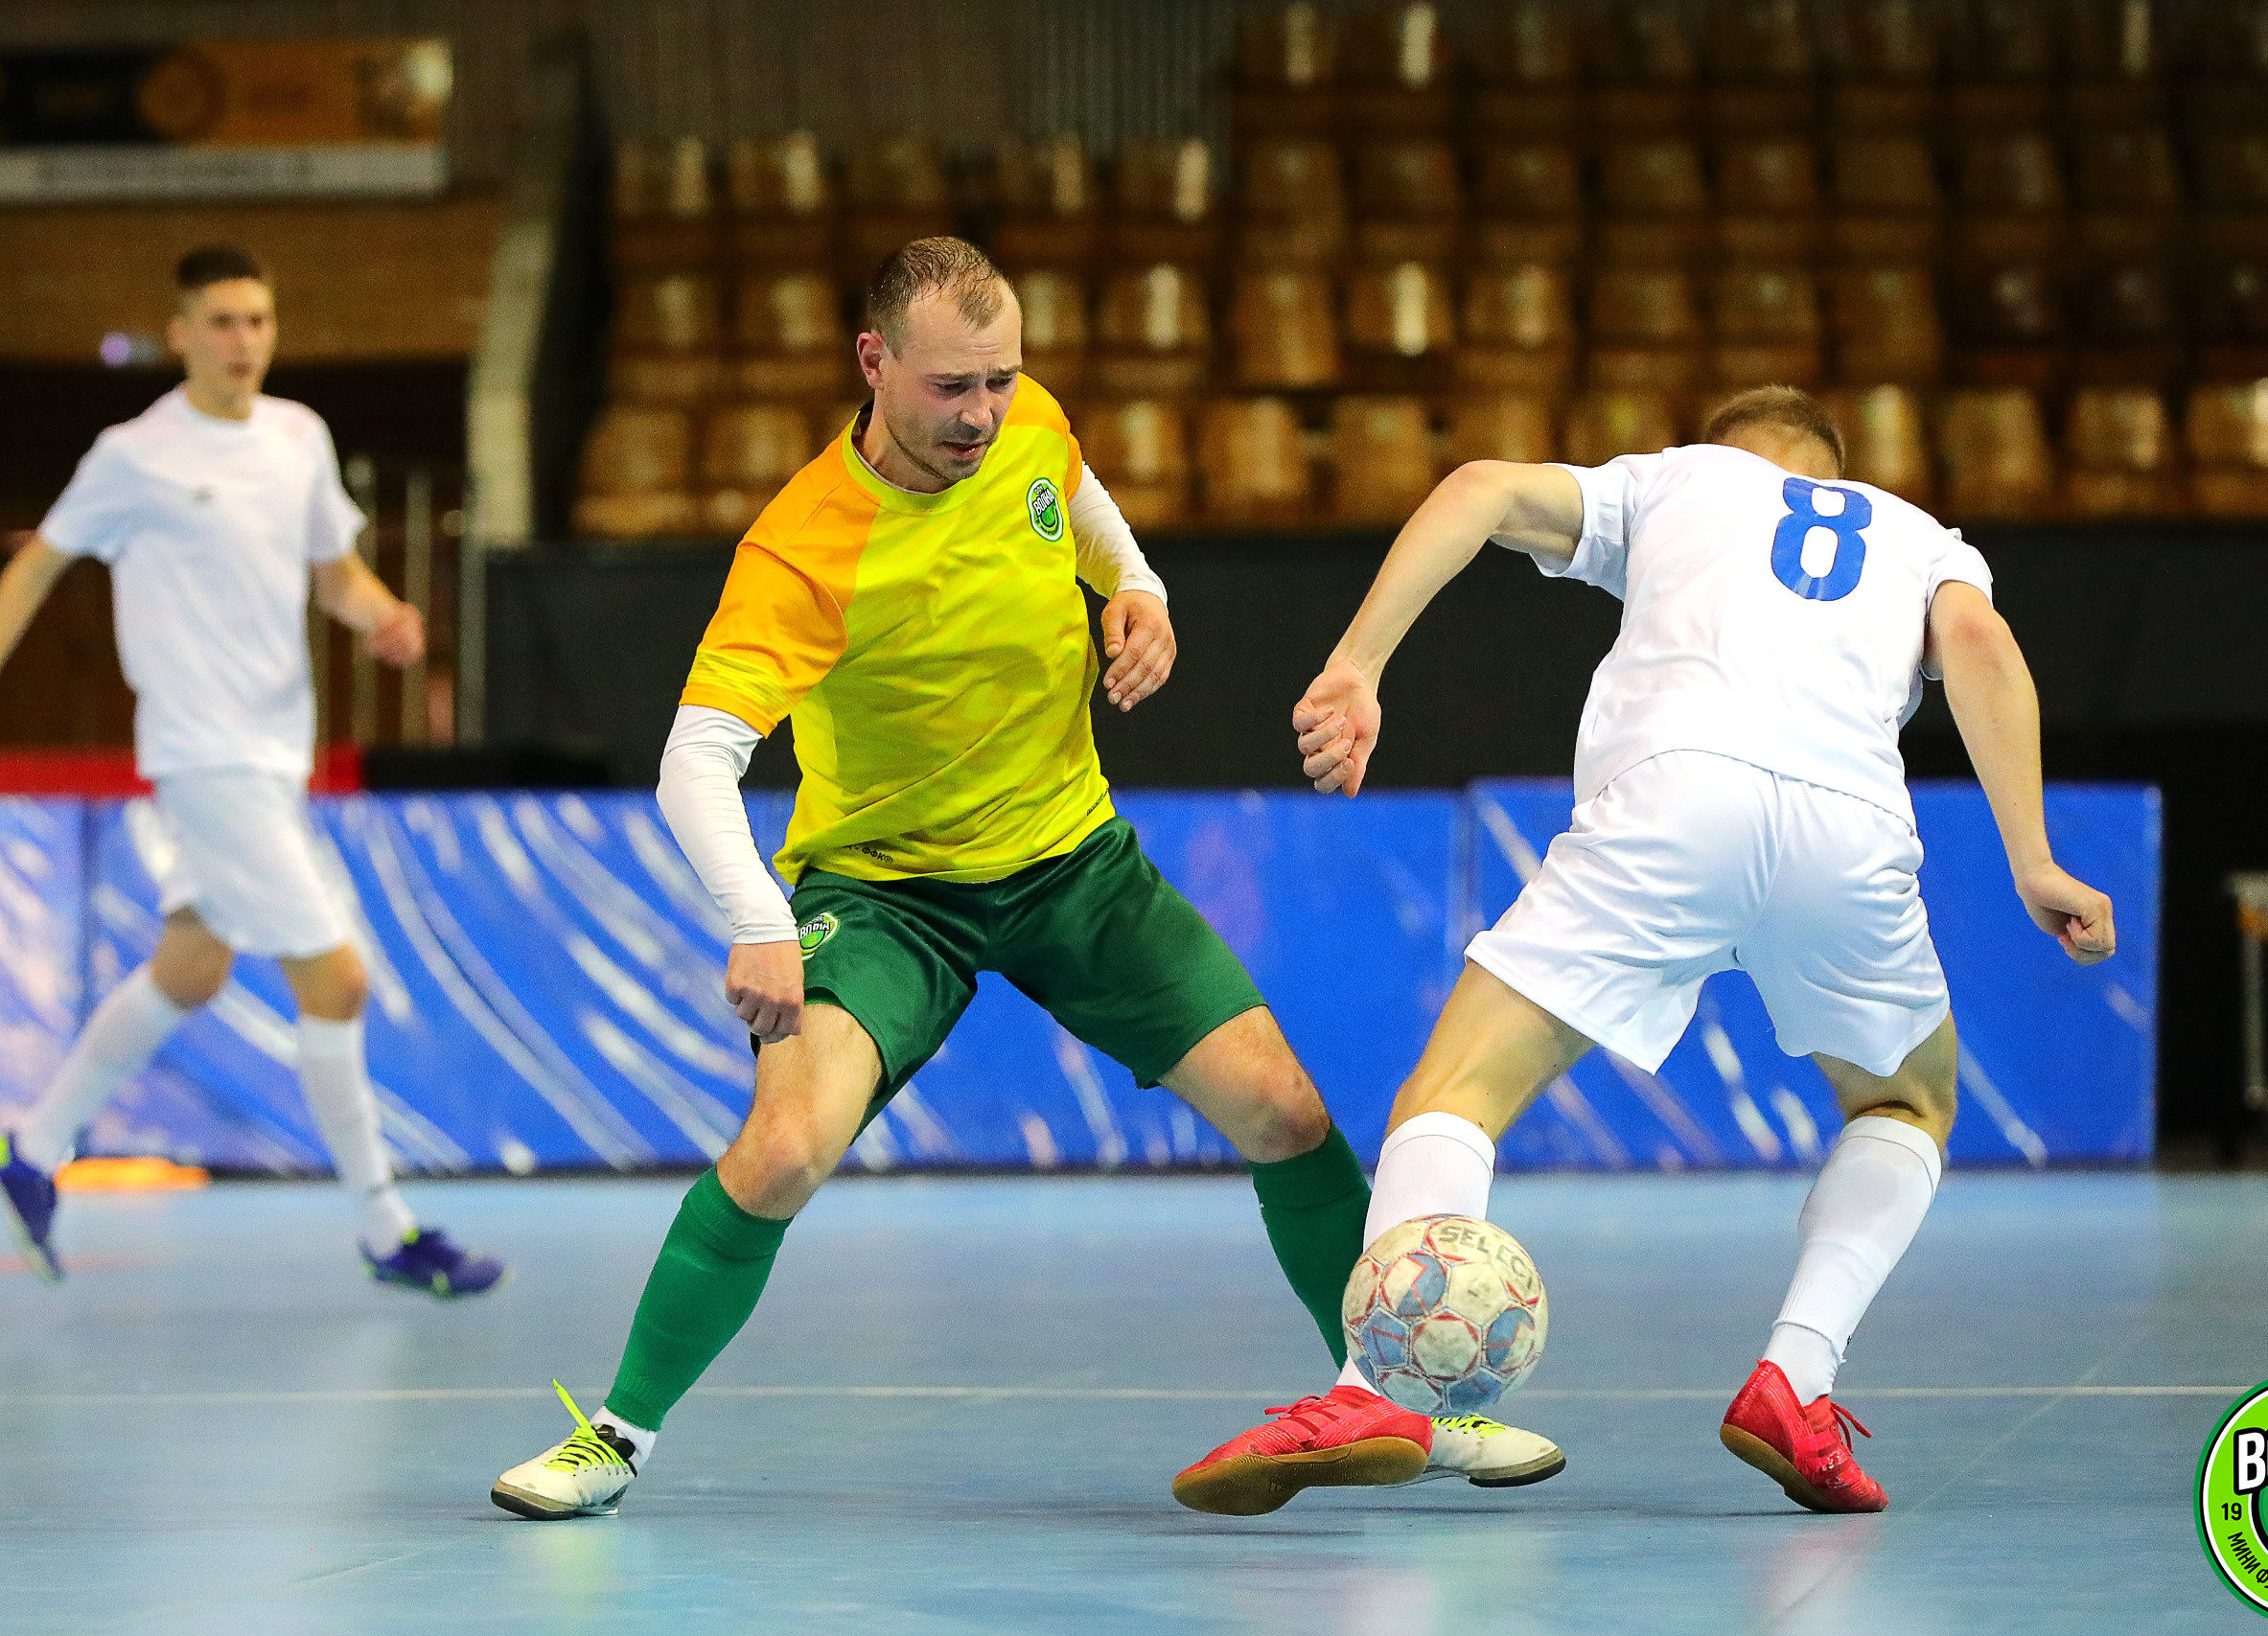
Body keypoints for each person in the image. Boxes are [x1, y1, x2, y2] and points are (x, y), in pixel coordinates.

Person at [489, 238, 1562, 1521]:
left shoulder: (1027, 425)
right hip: (886, 895)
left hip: (1073, 865)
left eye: (1001, 378)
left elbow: (1085, 501)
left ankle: (1413, 1402)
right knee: (780, 1150)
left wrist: (1143, 590)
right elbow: (692, 760)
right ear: (873, 362)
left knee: (1282, 1107)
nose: (983, 413)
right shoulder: (804, 548)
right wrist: (757, 920)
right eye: (952, 386)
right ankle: (615, 1435)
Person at [1178, 386, 2117, 1517]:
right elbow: (1978, 642)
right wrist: (2032, 858)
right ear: (1832, 465)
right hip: (1849, 831)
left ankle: (1374, 1387)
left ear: (1728, 452)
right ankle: (1797, 1380)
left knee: (1455, 1095)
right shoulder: (1916, 535)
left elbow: (1474, 487)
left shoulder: (1675, 477)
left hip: (1672, 801)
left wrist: (1358, 664)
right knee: (1905, 1106)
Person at [0, 244, 503, 1298]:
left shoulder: (298, 437)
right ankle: (386, 1229)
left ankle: (34, 1153)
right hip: (203, 754)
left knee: (193, 966)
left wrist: (383, 618)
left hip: (277, 755)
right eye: (222, 322)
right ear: (179, 333)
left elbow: (335, 568)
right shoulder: (131, 454)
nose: (243, 341)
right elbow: (40, 561)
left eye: (258, 322)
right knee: (338, 978)